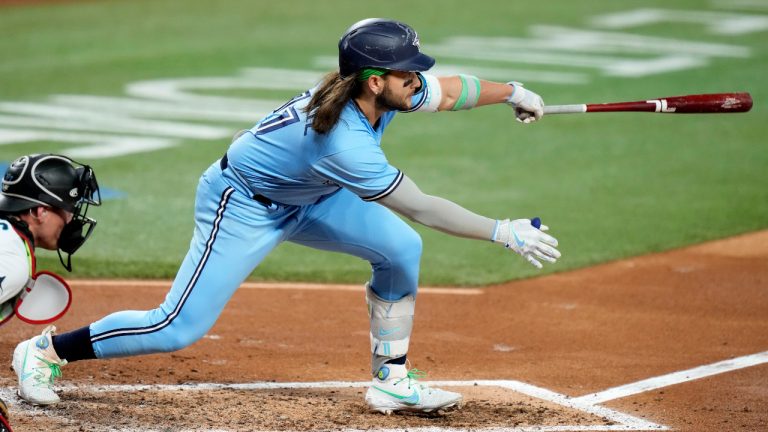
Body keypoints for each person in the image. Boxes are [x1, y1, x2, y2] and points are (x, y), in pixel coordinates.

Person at [12, 18, 560, 414]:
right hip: (243, 203)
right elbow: (419, 206)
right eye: (405, 74)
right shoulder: (344, 140)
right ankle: (43, 351)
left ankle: (391, 380)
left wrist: (514, 92)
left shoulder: (378, 90)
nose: (415, 82)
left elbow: (448, 91)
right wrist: (499, 231)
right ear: (375, 80)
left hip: (312, 196)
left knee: (399, 250)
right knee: (179, 326)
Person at [1, 153, 101, 429]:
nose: (72, 220)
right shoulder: (10, 258)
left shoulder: (9, 239)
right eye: (67, 209)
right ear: (39, 211)